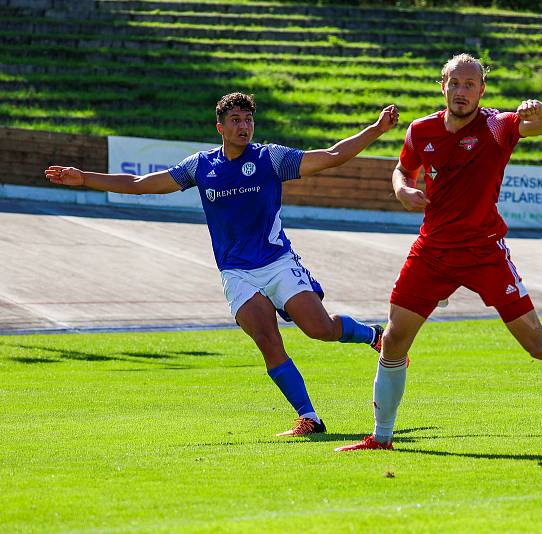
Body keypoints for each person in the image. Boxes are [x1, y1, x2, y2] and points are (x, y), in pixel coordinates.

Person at [336, 54, 542, 452]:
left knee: (540, 346)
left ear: (481, 90)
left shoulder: (499, 126)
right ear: (443, 86)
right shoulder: (421, 130)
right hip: (432, 251)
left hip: (485, 252)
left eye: (470, 85)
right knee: (395, 339)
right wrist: (402, 189)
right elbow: (403, 169)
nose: (461, 91)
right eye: (455, 83)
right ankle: (381, 439)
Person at [45, 92, 400, 437]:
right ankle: (309, 418)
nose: (244, 126)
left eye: (248, 119)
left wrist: (376, 128)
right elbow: (141, 184)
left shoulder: (270, 159)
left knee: (318, 328)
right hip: (236, 272)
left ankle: (373, 335)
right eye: (236, 120)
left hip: (277, 262)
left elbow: (333, 155)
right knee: (268, 340)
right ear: (220, 127)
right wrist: (86, 178)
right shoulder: (200, 166)